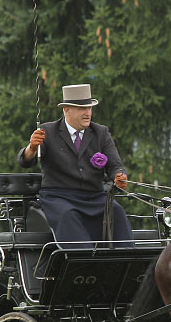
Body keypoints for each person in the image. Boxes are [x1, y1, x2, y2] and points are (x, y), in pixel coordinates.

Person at [18, 83, 133, 247]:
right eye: (81, 109)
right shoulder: (48, 131)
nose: (87, 113)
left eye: (89, 108)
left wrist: (119, 176)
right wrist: (32, 147)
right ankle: (82, 262)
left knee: (117, 211)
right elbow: (25, 161)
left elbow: (115, 165)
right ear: (67, 110)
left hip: (94, 196)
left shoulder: (101, 133)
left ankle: (127, 262)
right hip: (59, 197)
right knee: (68, 215)